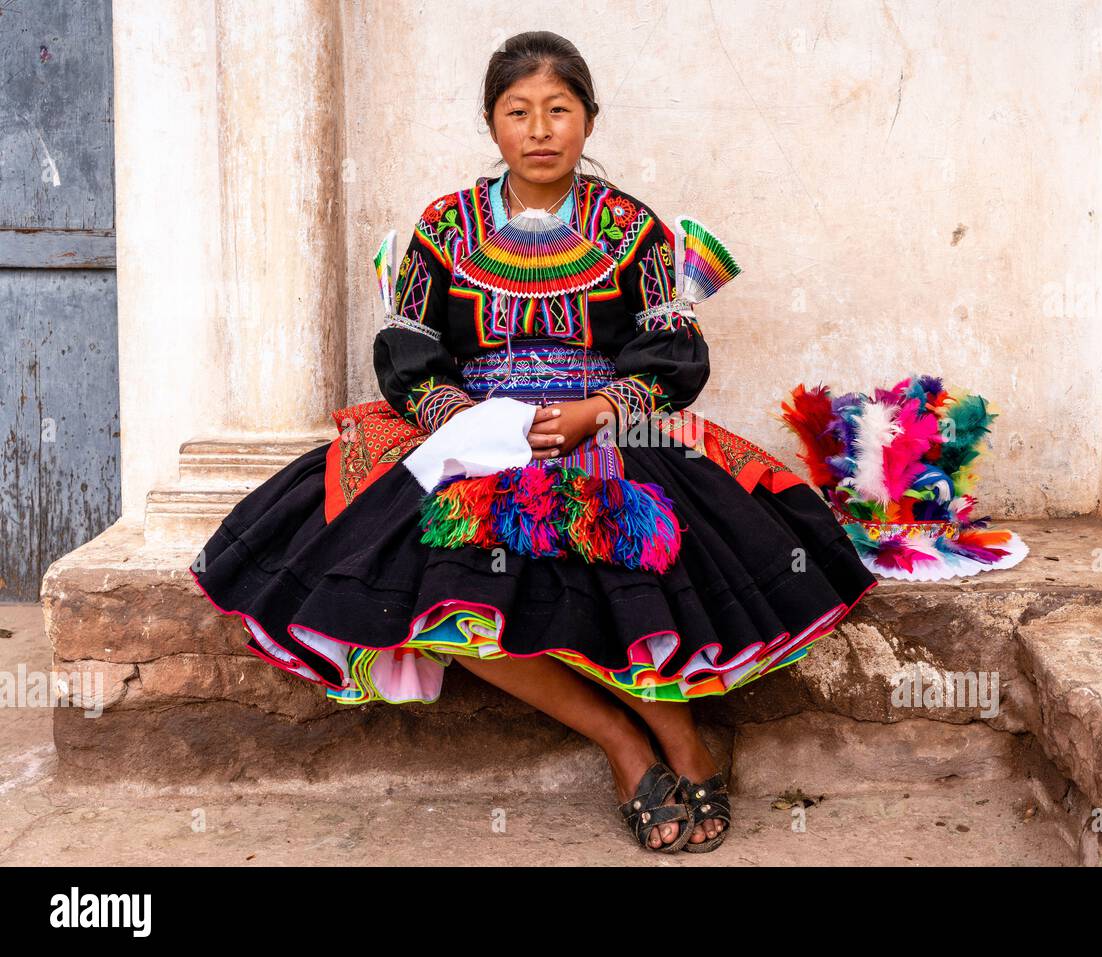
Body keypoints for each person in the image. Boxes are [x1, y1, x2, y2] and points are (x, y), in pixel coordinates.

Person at [191, 30, 877, 855]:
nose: (541, 128)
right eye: (519, 111)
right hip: (476, 434)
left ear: (589, 119)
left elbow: (671, 349)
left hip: (608, 424)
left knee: (630, 553)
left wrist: (600, 410)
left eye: (560, 110)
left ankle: (687, 744)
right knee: (441, 591)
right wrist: (458, 417)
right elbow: (408, 349)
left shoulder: (634, 229)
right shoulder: (443, 228)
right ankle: (625, 747)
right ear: (492, 123)